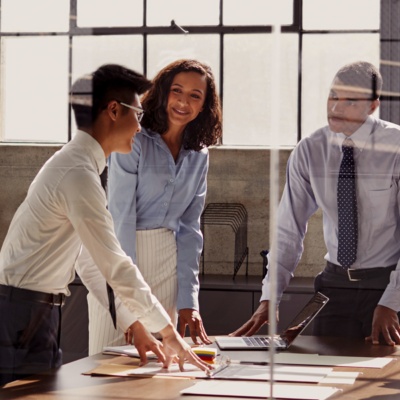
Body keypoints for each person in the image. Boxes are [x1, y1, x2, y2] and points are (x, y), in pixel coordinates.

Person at [0, 64, 210, 386]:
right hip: (20, 313)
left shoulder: (79, 167)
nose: (140, 128)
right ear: (114, 110)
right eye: (137, 115)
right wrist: (169, 333)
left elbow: (88, 259)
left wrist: (133, 323)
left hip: (37, 313)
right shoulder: (78, 175)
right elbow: (114, 264)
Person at [232, 61, 400, 346]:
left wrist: (392, 301)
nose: (336, 107)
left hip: (386, 283)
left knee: (384, 381)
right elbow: (289, 228)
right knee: (320, 371)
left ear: (372, 106)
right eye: (333, 96)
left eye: (350, 101)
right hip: (335, 285)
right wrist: (270, 295)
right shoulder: (310, 149)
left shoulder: (395, 146)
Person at [87, 59, 222, 355]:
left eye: (195, 96)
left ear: (204, 105)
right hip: (121, 258)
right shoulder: (133, 139)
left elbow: (189, 229)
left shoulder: (199, 154)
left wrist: (189, 301)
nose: (184, 102)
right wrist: (128, 301)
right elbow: (120, 216)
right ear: (163, 92)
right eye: (177, 91)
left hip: (167, 265)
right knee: (107, 364)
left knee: (158, 368)